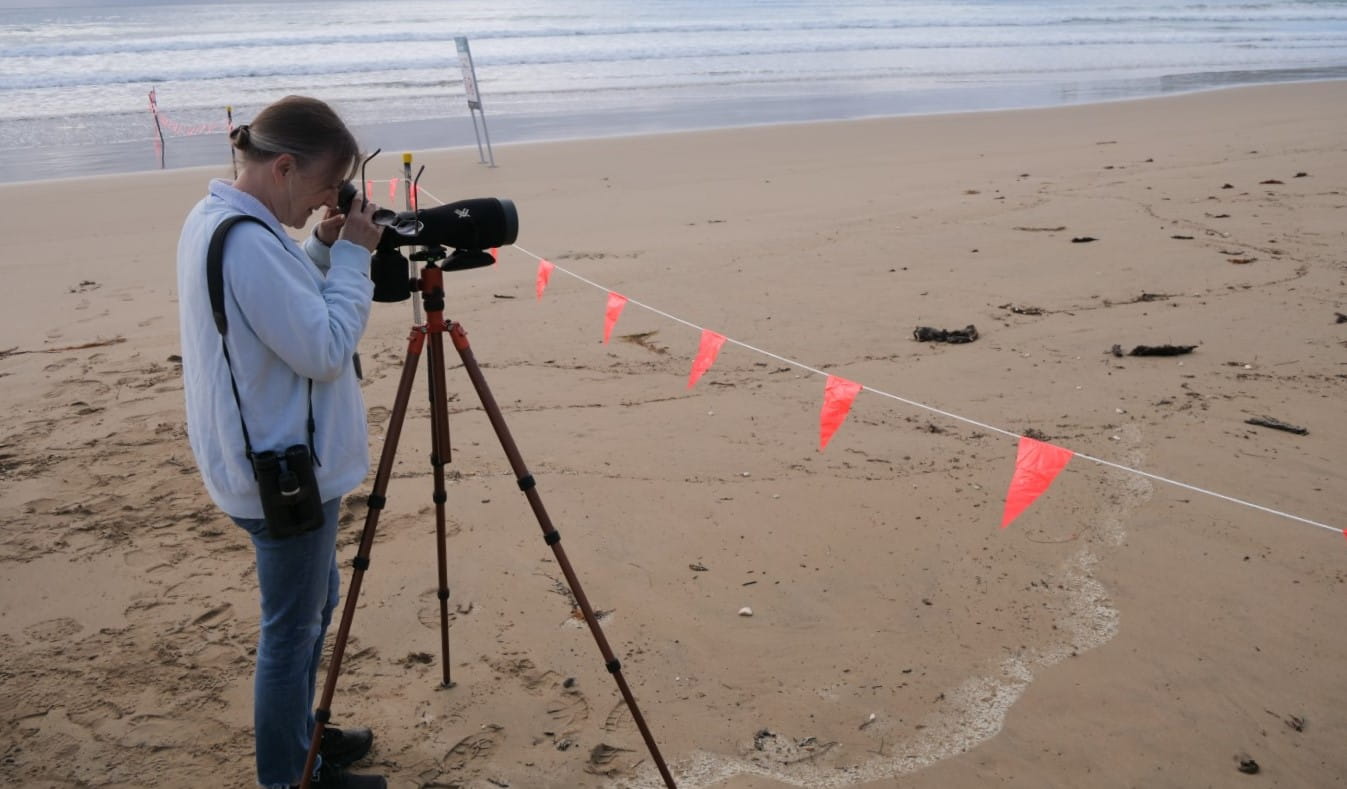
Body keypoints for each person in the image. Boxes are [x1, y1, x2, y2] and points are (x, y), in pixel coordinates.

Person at [175, 95, 386, 789]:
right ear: (285, 166)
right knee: (291, 632)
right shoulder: (245, 240)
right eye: (327, 187)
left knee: (314, 606)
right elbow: (324, 346)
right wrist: (353, 260)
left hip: (258, 458)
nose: (329, 200)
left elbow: (277, 296)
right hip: (281, 472)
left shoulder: (221, 220)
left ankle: (304, 741)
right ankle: (288, 777)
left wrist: (321, 248)